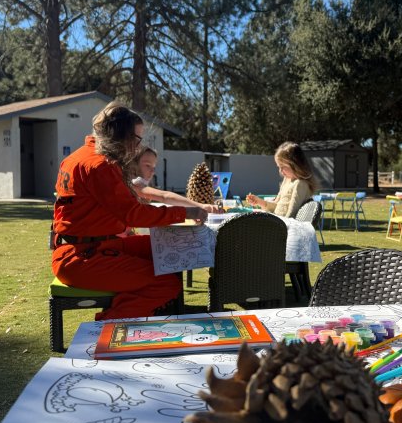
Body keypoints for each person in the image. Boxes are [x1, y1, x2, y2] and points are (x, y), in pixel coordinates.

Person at [51, 101, 211, 320]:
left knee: (166, 245)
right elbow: (134, 215)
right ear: (119, 136)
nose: (137, 147)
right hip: (82, 257)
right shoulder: (100, 165)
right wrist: (186, 212)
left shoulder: (77, 157)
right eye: (136, 139)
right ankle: (107, 326)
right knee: (165, 283)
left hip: (87, 247)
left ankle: (161, 313)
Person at [127, 146, 221, 209]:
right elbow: (165, 196)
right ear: (133, 165)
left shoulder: (140, 185)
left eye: (154, 167)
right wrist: (201, 206)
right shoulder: (135, 184)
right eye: (147, 165)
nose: (152, 171)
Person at [246, 141, 318, 217]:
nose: (280, 170)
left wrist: (281, 226)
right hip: (277, 221)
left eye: (283, 167)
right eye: (279, 167)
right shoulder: (287, 180)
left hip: (283, 225)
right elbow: (277, 205)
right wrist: (259, 201)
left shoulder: (300, 184)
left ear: (295, 164)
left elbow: (292, 212)